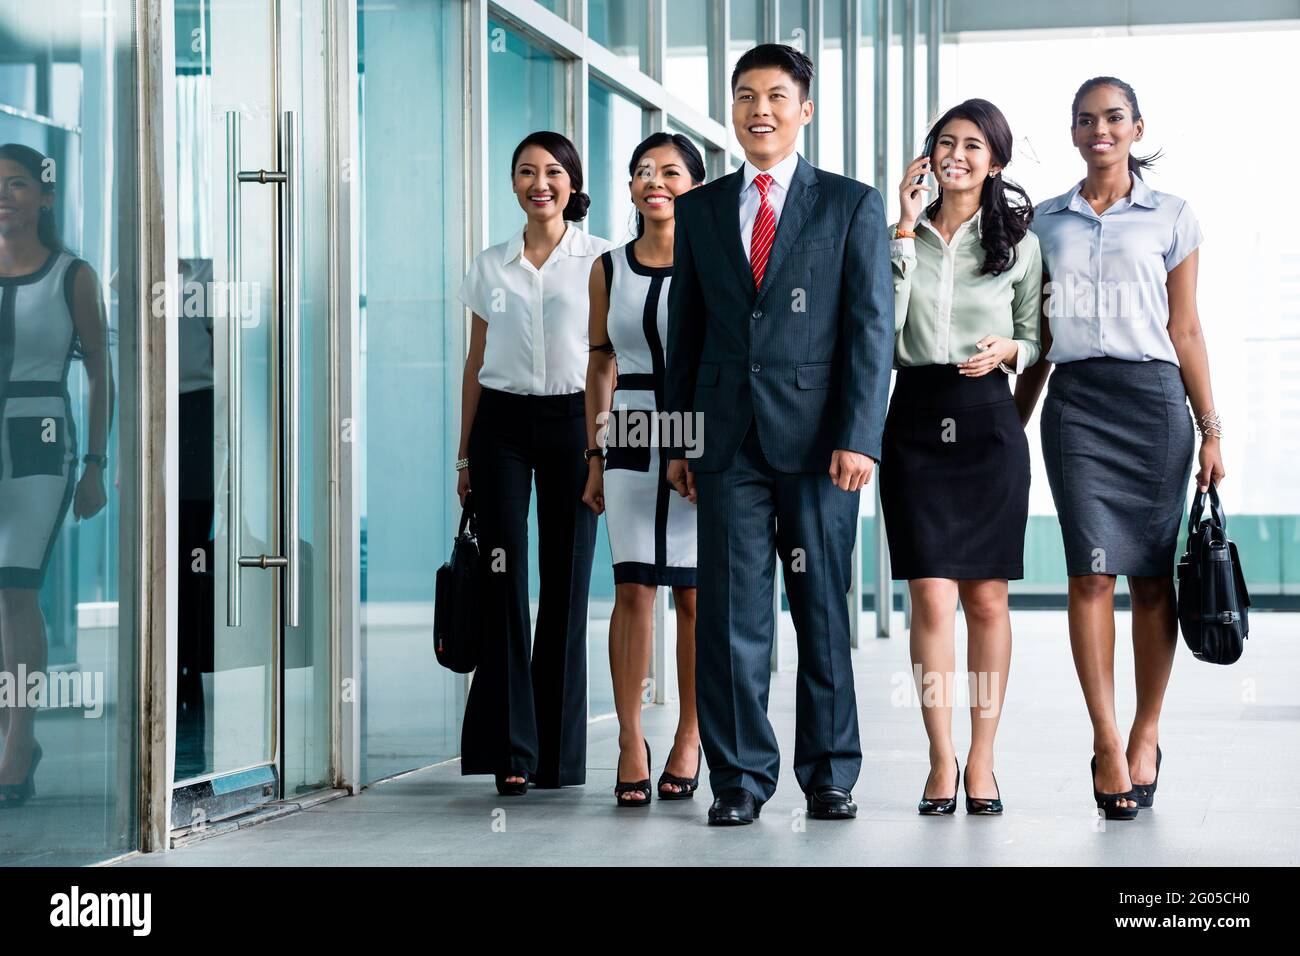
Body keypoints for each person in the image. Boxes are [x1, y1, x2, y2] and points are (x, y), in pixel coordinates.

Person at [664, 44, 893, 825]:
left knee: (822, 608)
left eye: (775, 96)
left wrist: (861, 435)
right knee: (732, 618)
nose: (759, 111)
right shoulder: (700, 209)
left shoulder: (850, 205)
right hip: (726, 443)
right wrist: (680, 442)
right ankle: (738, 779)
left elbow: (870, 328)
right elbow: (684, 333)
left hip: (823, 445)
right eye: (744, 97)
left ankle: (830, 774)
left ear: (805, 108)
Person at [1014, 77, 1225, 819]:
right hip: (1076, 408)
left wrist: (1213, 430)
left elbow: (1187, 328)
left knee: (1152, 580)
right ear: (1072, 132)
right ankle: (1106, 741)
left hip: (1155, 408)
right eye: (1085, 119)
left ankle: (1146, 732)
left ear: (1137, 127)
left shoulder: (1172, 216)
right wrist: (1012, 423)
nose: (1099, 129)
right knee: (1090, 576)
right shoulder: (1045, 223)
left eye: (1113, 118)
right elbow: (1037, 338)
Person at [882, 99, 1040, 816]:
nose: (958, 155)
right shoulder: (901, 234)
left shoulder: (1019, 241)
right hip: (915, 412)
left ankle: (982, 757)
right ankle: (939, 757)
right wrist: (905, 229)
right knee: (930, 596)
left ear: (996, 161)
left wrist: (1013, 350)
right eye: (945, 143)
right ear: (928, 157)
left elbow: (1039, 337)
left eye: (973, 145)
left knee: (986, 597)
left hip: (988, 423)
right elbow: (882, 333)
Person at [454, 131, 611, 796]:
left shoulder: (601, 259)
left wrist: (605, 444)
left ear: (574, 184)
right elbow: (475, 360)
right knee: (503, 580)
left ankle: (558, 756)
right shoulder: (490, 265)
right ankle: (512, 750)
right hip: (502, 425)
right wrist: (463, 452)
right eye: (526, 171)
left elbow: (612, 359)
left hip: (574, 421)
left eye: (553, 172)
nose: (539, 182)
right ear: (513, 182)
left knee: (568, 584)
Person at [583, 132, 706, 807]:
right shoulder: (609, 266)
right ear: (631, 189)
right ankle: (632, 738)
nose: (653, 181)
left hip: (694, 421)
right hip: (631, 416)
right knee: (634, 588)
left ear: (694, 183)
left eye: (669, 171)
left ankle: (689, 734)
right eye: (641, 172)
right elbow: (600, 361)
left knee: (692, 592)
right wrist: (594, 456)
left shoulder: (714, 261)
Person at [0, 143, 113, 807]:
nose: (4, 195)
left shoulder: (72, 274)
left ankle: (19, 738)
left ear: (44, 196)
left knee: (16, 589)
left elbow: (100, 371)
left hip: (41, 439)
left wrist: (95, 464)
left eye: (17, 184)